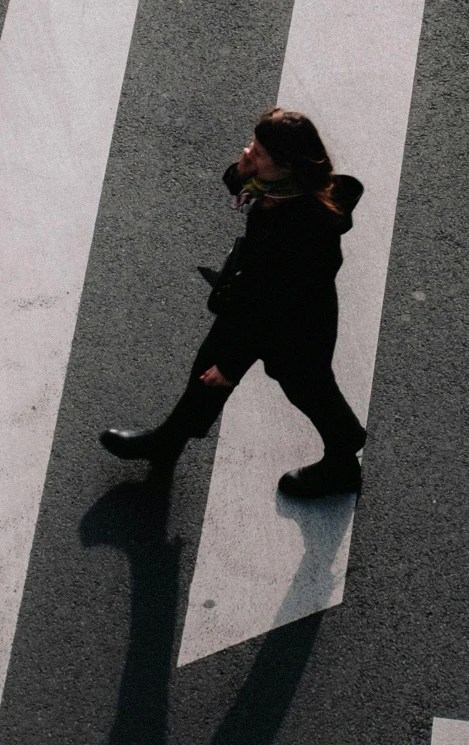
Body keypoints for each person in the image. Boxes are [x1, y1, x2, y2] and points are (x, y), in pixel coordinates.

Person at [99, 109, 369, 500]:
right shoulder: (277, 187)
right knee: (206, 369)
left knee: (306, 388)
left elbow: (278, 304)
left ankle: (343, 458)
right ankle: (169, 441)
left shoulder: (305, 227)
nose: (247, 153)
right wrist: (246, 168)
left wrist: (231, 363)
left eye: (258, 152)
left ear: (287, 166)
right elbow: (238, 182)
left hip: (293, 324)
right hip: (252, 300)